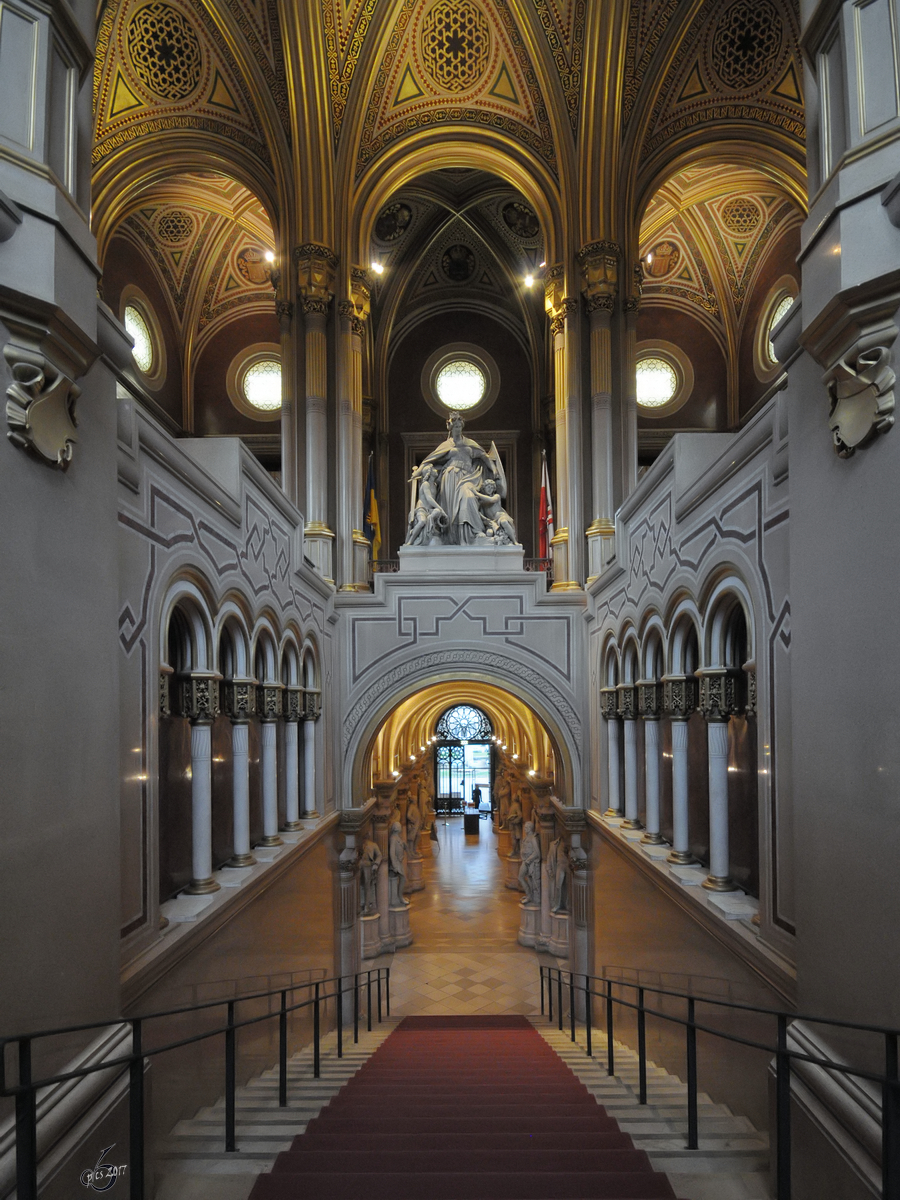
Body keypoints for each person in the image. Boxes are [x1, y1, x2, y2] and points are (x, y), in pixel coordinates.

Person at [405, 462, 446, 546]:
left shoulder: (434, 484)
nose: (436, 470)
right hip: (422, 509)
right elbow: (429, 499)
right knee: (422, 521)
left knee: (437, 511)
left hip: (430, 510)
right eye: (434, 469)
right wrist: (441, 509)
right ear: (429, 472)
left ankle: (430, 529)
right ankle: (410, 541)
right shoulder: (425, 484)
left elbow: (441, 468)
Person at [474, 478, 518, 545]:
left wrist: (476, 493)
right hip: (492, 522)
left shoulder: (496, 496)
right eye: (488, 487)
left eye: (492, 487)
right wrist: (488, 521)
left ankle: (514, 541)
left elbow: (491, 500)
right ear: (484, 488)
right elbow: (481, 514)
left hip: (500, 517)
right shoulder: (482, 504)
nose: (490, 489)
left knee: (504, 522)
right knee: (489, 533)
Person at [518, 822, 542, 905]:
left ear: (530, 828)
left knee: (521, 877)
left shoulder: (533, 838)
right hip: (525, 860)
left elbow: (537, 852)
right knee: (527, 879)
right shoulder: (527, 837)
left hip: (529, 862)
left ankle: (530, 896)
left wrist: (528, 860)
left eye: (526, 828)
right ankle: (529, 895)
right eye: (524, 827)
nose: (524, 829)